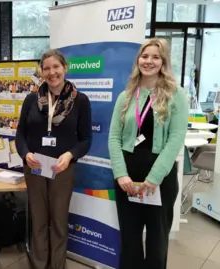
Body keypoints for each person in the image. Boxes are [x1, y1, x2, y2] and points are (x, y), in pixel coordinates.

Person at [108, 38, 188, 269]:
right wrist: (121, 175)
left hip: (159, 179)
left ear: (163, 62)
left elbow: (175, 140)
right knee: (130, 240)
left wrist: (154, 178)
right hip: (127, 179)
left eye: (155, 56)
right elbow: (114, 137)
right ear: (138, 60)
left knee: (157, 241)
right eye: (145, 56)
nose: (149, 61)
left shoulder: (176, 95)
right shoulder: (126, 96)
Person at [15, 49, 92, 269]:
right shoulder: (31, 99)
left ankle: (57, 266)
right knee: (38, 220)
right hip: (36, 167)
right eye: (46, 68)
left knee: (58, 221)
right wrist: (25, 153)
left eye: (56, 67)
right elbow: (20, 133)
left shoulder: (80, 101)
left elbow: (86, 139)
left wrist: (70, 155)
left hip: (61, 168)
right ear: (41, 71)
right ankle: (40, 264)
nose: (52, 72)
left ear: (65, 68)